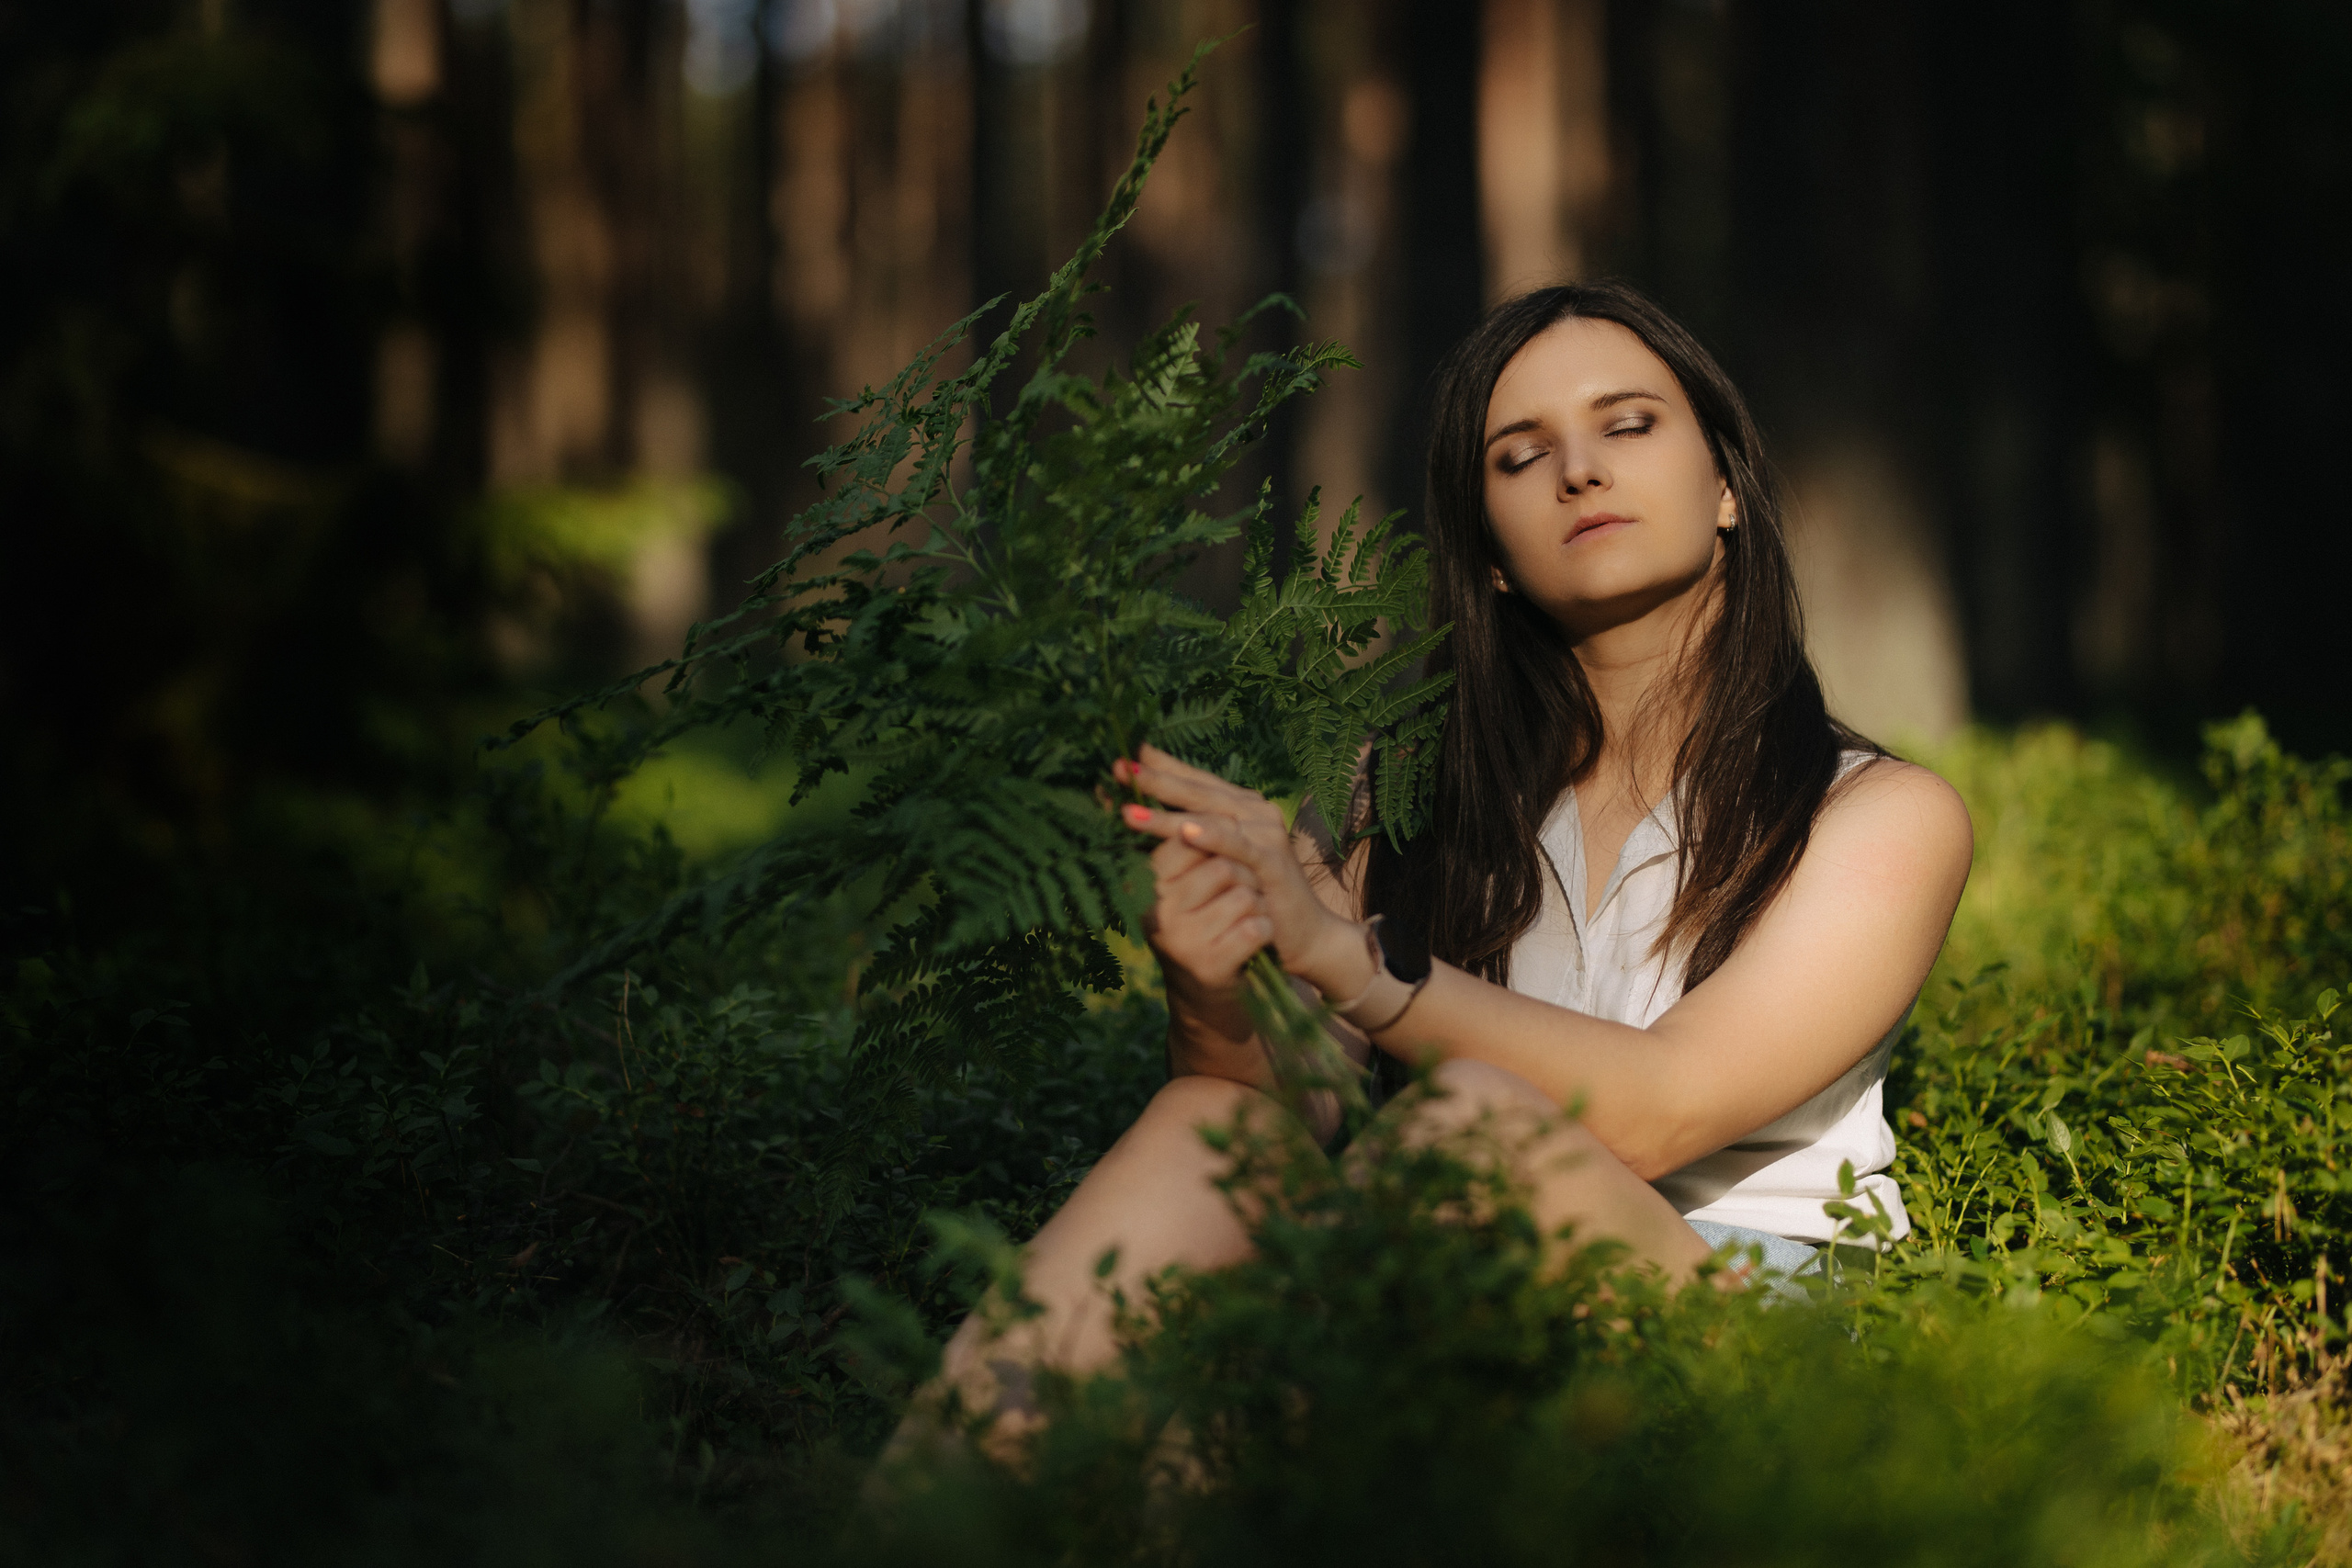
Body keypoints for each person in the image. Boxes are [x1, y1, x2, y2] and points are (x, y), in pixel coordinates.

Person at [919, 280, 1973, 1432]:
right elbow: (1286, 1101)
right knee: (1209, 1133)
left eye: (1627, 425)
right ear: (1491, 556)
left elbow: (1663, 1107)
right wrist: (1215, 982)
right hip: (1449, 1284)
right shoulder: (1402, 788)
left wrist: (1361, 966)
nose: (1579, 471)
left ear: (1725, 484)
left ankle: (1204, 1489)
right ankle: (947, 1515)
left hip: (1743, 1329)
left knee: (1467, 1130)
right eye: (1519, 457)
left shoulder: (1875, 814)